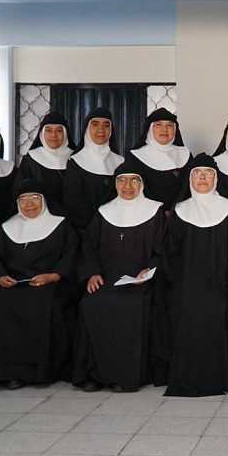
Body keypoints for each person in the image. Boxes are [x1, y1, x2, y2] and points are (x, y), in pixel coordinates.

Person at [157, 154, 228, 396]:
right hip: (186, 281)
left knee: (219, 302)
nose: (203, 178)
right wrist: (184, 280)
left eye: (207, 173)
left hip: (223, 280)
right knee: (185, 302)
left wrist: (219, 278)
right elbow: (170, 253)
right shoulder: (180, 211)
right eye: (197, 174)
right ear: (190, 180)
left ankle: (221, 376)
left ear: (216, 179)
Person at [0, 179, 78, 389]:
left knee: (43, 303)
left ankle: (41, 371)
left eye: (34, 198)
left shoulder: (61, 225)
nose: (29, 204)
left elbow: (72, 256)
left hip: (49, 285)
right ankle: (7, 371)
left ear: (45, 201)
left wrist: (53, 276)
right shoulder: (7, 227)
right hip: (12, 285)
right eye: (23, 199)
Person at [73, 161, 164, 393]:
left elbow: (163, 250)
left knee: (131, 305)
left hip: (140, 280)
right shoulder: (104, 212)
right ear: (115, 184)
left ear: (142, 184)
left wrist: (150, 270)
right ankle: (93, 374)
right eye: (122, 180)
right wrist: (91, 272)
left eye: (134, 180)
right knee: (92, 302)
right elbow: (89, 247)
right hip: (106, 277)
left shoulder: (155, 211)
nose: (127, 186)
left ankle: (124, 375)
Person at [62, 107, 125, 233]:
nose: (101, 129)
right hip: (84, 231)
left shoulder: (121, 162)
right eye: (95, 124)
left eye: (106, 125)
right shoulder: (76, 162)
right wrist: (95, 226)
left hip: (115, 228)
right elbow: (74, 202)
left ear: (111, 130)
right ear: (87, 129)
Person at [127, 108, 191, 209]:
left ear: (175, 129)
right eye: (158, 125)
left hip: (180, 216)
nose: (164, 129)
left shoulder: (186, 155)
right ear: (150, 129)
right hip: (148, 217)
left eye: (169, 125)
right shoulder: (135, 157)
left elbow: (189, 190)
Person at [17, 111, 75, 209]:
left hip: (71, 217)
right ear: (42, 133)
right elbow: (20, 192)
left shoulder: (75, 158)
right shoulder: (31, 160)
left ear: (65, 133)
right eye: (48, 130)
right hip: (39, 216)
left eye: (59, 131)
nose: (53, 135)